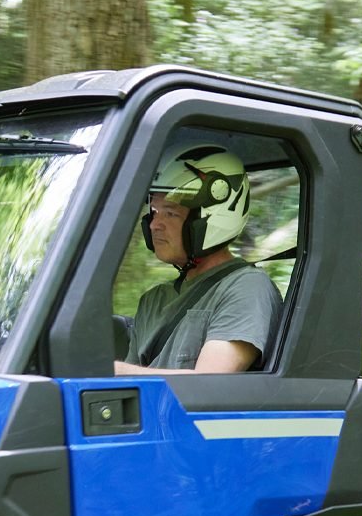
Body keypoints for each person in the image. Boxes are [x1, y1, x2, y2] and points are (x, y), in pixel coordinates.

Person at [115, 145, 281, 375]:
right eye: (154, 212)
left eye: (170, 213)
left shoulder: (247, 288)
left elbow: (208, 386)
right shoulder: (152, 301)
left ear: (212, 220)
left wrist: (113, 371)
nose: (154, 225)